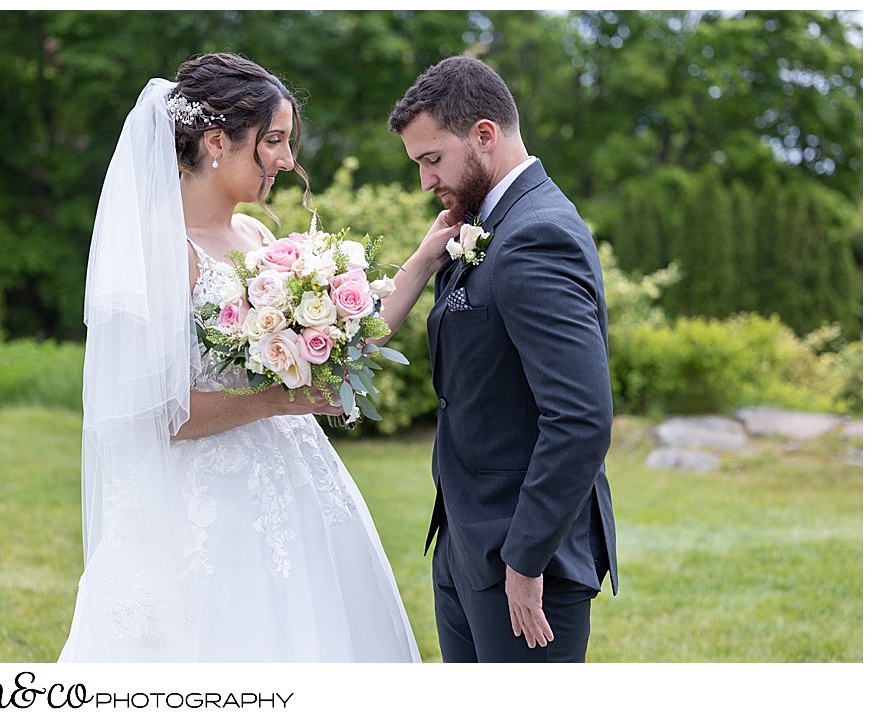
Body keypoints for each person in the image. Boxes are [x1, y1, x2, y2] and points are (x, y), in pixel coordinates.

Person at [58, 53, 420, 662]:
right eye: (273, 141)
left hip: (298, 482)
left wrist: (426, 258)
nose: (287, 159)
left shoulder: (258, 239)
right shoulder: (156, 250)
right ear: (218, 141)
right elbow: (161, 418)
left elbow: (346, 341)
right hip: (202, 508)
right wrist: (281, 399)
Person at [379, 55, 618, 663]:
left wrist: (525, 558)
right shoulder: (484, 224)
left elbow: (581, 418)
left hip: (524, 565)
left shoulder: (537, 236)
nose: (427, 183)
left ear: (484, 135)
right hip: (465, 545)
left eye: (432, 160)